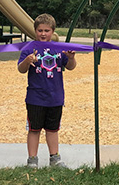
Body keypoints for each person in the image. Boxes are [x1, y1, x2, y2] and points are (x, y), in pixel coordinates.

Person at [17, 14, 77, 168]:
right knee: (34, 129)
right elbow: (21, 69)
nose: (43, 34)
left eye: (47, 30)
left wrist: (70, 58)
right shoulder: (29, 49)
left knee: (52, 129)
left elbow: (70, 67)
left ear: (53, 31)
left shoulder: (60, 49)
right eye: (40, 30)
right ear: (35, 31)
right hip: (35, 98)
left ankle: (54, 158)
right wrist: (27, 61)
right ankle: (32, 160)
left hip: (55, 98)